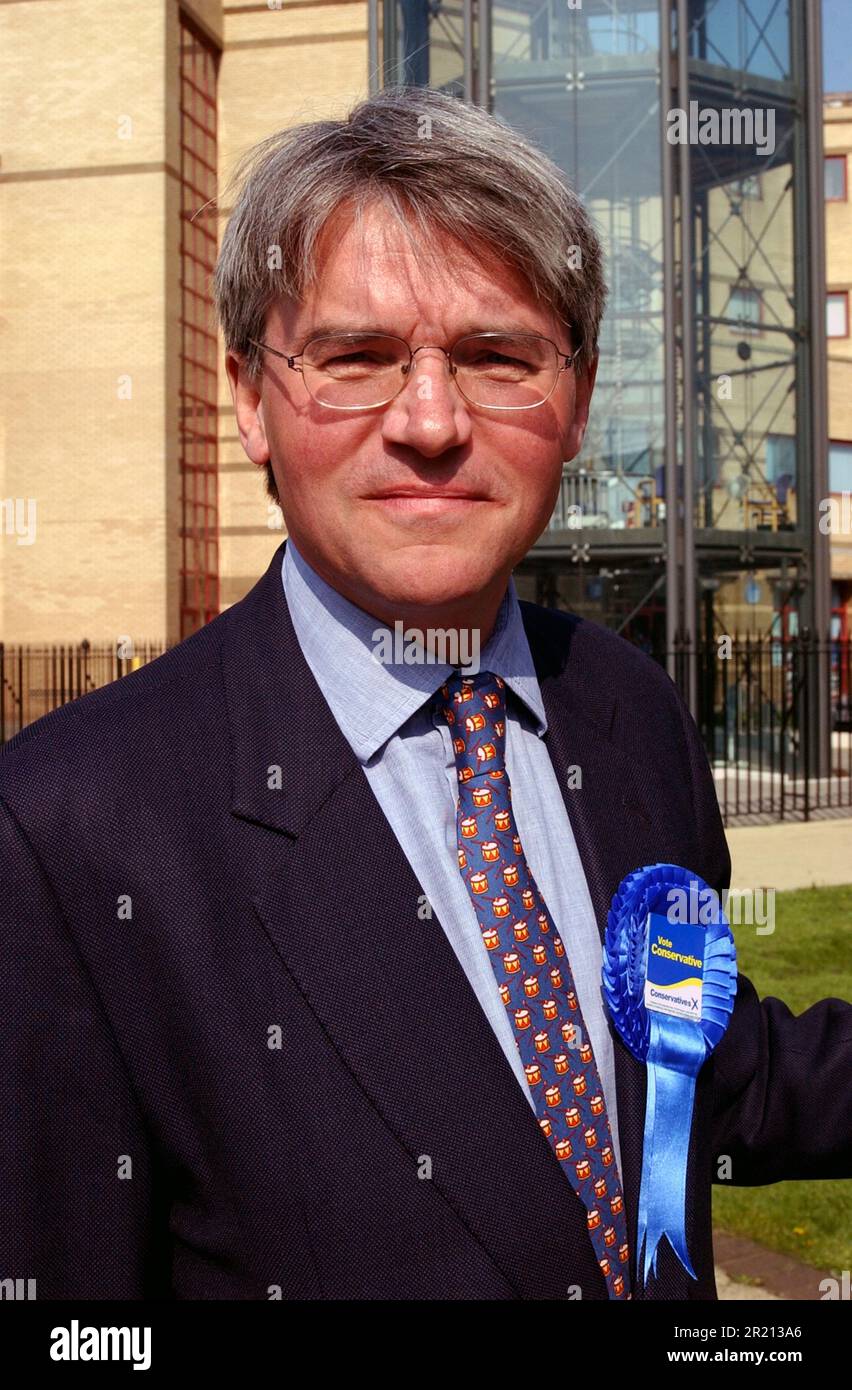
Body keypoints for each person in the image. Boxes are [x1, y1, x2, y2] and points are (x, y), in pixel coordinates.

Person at [1, 86, 849, 1302]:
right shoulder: (67, 831)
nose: (434, 422)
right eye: (355, 358)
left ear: (577, 397)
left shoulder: (622, 705)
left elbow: (695, 1074)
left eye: (500, 357)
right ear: (249, 396)